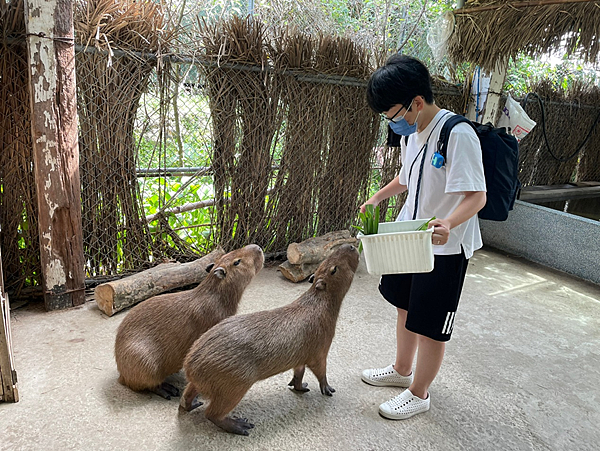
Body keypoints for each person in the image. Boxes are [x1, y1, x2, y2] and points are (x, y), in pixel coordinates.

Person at [360, 54, 487, 420]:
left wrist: (448, 222)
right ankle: (402, 371)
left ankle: (420, 392)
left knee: (431, 323)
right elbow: (406, 178)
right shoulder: (412, 134)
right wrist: (376, 197)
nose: (389, 121)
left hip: (444, 247)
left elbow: (477, 195)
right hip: (409, 238)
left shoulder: (457, 134)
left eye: (391, 113)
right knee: (405, 306)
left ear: (416, 102)